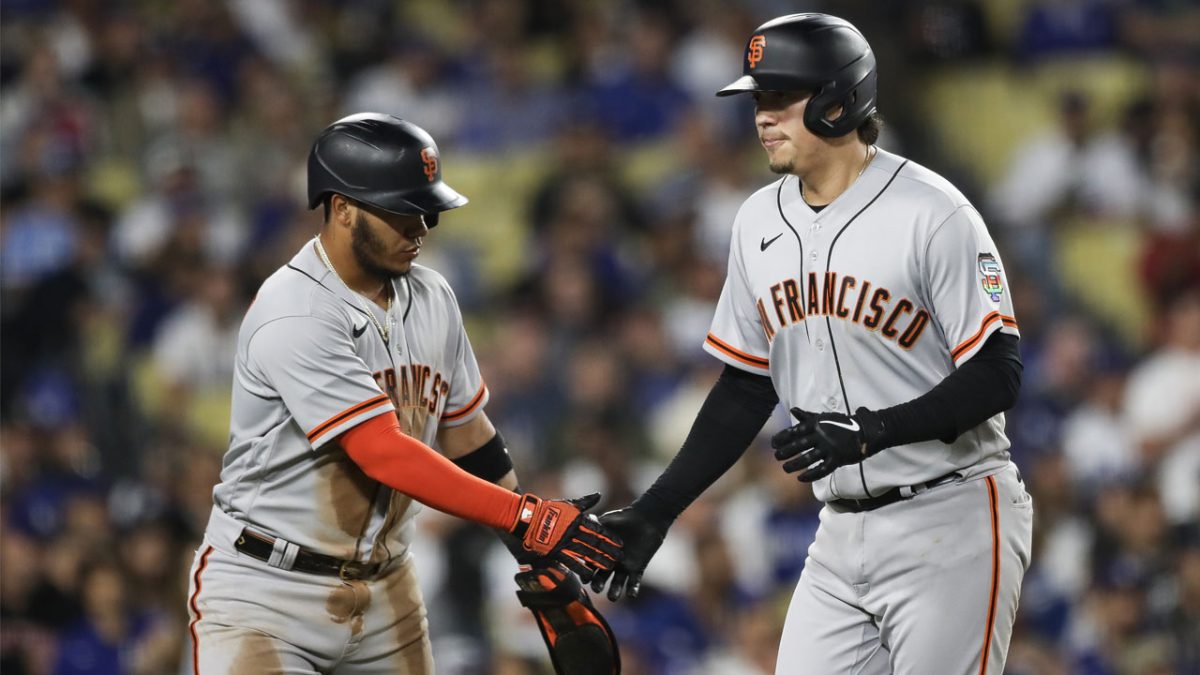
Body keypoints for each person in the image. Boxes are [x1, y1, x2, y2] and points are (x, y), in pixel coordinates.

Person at [590, 13, 1033, 674]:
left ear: (838, 100)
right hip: (839, 532)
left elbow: (999, 370)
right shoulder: (755, 221)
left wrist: (874, 430)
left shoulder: (932, 212)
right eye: (757, 100)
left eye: (778, 98)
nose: (762, 116)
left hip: (953, 512)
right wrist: (657, 511)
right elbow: (745, 385)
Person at [184, 113, 622, 675]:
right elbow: (383, 452)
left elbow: (469, 435)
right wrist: (524, 515)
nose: (420, 226)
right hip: (267, 591)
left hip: (386, 590)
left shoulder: (433, 294)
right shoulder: (294, 310)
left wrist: (529, 550)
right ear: (341, 208)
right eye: (401, 210)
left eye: (426, 210)